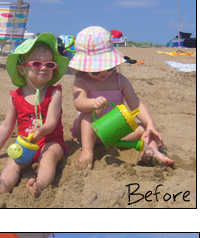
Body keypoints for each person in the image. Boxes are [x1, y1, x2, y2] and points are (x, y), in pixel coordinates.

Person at [69, 26, 174, 170]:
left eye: (109, 67)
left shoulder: (120, 80)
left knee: (146, 129)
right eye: (96, 70)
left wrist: (150, 123)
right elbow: (78, 103)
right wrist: (92, 103)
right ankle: (87, 152)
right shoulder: (82, 82)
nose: (104, 72)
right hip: (91, 135)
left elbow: (136, 104)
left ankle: (151, 151)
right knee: (90, 111)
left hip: (118, 131)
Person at [0, 34, 68, 197]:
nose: (44, 68)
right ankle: (4, 184)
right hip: (26, 144)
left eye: (49, 64)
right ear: (21, 69)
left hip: (50, 141)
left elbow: (52, 122)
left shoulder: (54, 93)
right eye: (36, 63)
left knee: (48, 157)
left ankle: (40, 185)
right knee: (13, 161)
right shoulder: (16, 96)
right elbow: (7, 125)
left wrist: (41, 130)